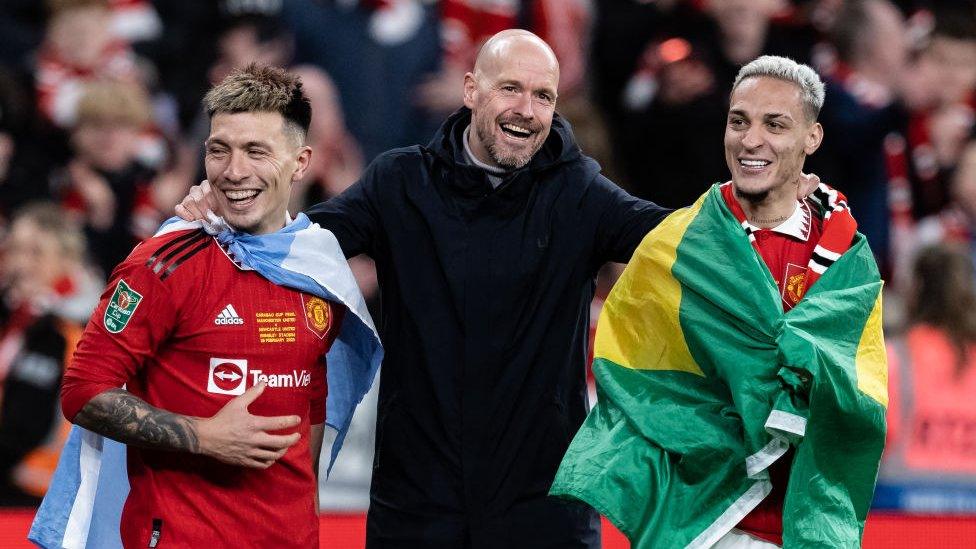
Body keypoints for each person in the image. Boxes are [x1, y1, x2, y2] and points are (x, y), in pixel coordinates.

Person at [179, 30, 822, 547]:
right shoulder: (398, 182)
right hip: (415, 505)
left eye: (543, 95)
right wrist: (223, 216)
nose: (526, 109)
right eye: (510, 88)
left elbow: (681, 242)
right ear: (471, 90)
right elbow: (299, 245)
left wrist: (783, 224)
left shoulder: (580, 192)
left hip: (542, 510)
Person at [31, 64, 380, 548]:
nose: (234, 171)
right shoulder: (161, 264)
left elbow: (311, 404)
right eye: (219, 150)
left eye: (256, 151)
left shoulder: (319, 269)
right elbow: (82, 391)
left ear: (300, 163)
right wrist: (204, 436)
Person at [551, 56, 887, 548]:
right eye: (739, 121)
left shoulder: (846, 261)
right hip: (706, 524)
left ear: (811, 139)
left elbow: (863, 390)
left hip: (802, 524)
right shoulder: (675, 246)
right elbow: (633, 379)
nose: (751, 140)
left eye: (775, 124)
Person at [0, 203, 102, 506]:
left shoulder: (63, 327)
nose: (20, 263)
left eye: (36, 253)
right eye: (14, 250)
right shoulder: (19, 316)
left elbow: (24, 425)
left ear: (67, 260)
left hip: (35, 496)